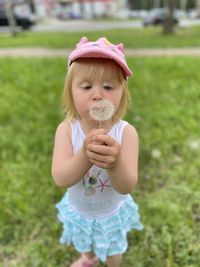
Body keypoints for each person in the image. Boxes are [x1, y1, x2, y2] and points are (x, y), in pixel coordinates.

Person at [52, 36, 143, 267]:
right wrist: (84, 154)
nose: (98, 95)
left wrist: (115, 162)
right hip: (81, 208)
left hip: (110, 211)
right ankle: (88, 258)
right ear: (71, 92)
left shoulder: (126, 133)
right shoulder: (67, 130)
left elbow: (126, 185)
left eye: (108, 86)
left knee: (113, 251)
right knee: (87, 243)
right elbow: (61, 178)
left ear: (122, 93)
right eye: (86, 86)